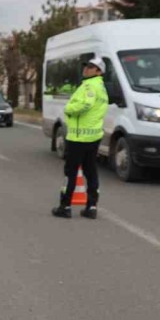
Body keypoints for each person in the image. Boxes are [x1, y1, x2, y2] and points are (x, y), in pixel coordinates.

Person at [52, 57, 109, 220]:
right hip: (93, 136)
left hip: (79, 137)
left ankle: (65, 206)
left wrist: (69, 109)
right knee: (91, 172)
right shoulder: (101, 87)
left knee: (70, 173)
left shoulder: (90, 86)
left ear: (99, 71)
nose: (86, 69)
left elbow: (85, 105)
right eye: (86, 66)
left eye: (91, 67)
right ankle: (91, 207)